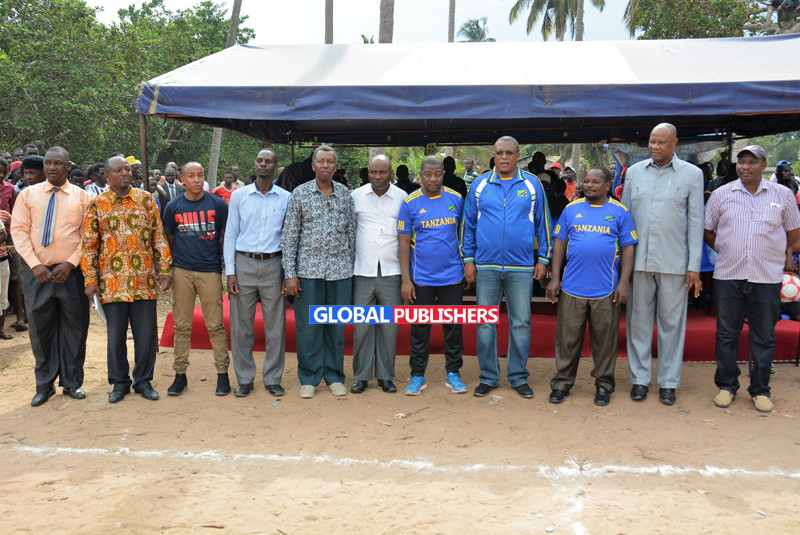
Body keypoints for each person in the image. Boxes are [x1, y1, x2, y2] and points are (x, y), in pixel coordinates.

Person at [704, 146, 800, 413]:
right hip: (728, 275)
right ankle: (726, 386)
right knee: (726, 334)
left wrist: (773, 251)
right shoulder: (722, 194)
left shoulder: (782, 195)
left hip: (766, 276)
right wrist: (726, 248)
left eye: (752, 162)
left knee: (764, 335)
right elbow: (708, 230)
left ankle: (760, 390)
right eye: (741, 162)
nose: (745, 167)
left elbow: (793, 233)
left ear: (764, 165)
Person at [462, 136, 552, 398]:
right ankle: (488, 377)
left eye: (509, 153)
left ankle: (518, 376)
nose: (504, 157)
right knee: (485, 324)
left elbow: (543, 224)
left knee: (521, 323)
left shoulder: (532, 184)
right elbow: (468, 225)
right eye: (499, 153)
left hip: (521, 266)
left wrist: (543, 259)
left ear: (517, 155)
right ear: (494, 154)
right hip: (486, 266)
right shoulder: (480, 184)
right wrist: (468, 260)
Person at [621, 123, 704, 406]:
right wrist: (622, 265)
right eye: (651, 142)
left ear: (675, 143)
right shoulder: (634, 173)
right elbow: (624, 220)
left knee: (672, 326)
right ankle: (639, 379)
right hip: (638, 262)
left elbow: (696, 222)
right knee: (638, 324)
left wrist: (694, 267)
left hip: (674, 262)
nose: (655, 147)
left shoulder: (692, 175)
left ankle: (669, 383)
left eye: (661, 142)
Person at [82, 156, 172, 404]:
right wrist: (90, 280)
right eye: (118, 170)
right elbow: (89, 246)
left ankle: (143, 381)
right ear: (107, 176)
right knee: (116, 337)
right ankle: (119, 383)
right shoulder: (97, 204)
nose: (125, 173)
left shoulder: (146, 200)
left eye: (127, 169)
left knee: (146, 336)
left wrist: (165, 270)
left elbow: (159, 237)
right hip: (112, 283)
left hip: (144, 280)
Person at [546, 167, 638, 406]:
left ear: (608, 185)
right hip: (572, 288)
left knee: (605, 342)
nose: (589, 185)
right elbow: (560, 243)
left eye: (595, 182)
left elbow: (628, 247)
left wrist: (624, 282)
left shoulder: (619, 212)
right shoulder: (571, 209)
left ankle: (604, 385)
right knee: (567, 341)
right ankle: (562, 383)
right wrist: (555, 278)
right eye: (586, 181)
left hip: (606, 289)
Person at [10, 147, 91, 406]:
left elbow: (88, 235)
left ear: (68, 166)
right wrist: (34, 265)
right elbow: (19, 231)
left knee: (75, 329)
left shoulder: (82, 197)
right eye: (48, 163)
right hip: (39, 274)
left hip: (71, 274)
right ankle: (44, 385)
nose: (52, 168)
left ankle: (72, 382)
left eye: (58, 163)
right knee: (40, 330)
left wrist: (70, 262)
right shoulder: (28, 195)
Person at [282, 145, 355, 399]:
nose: (325, 165)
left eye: (330, 162)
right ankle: (309, 378)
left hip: (340, 272)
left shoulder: (344, 194)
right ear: (313, 166)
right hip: (308, 272)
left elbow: (351, 234)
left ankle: (334, 376)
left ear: (336, 166)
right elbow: (290, 236)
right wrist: (290, 274)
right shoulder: (300, 194)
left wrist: (351, 270)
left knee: (336, 327)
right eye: (321, 161)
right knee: (309, 328)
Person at [224, 149, 291, 398]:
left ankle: (273, 378)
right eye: (260, 160)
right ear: (255, 164)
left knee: (276, 326)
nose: (263, 164)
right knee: (241, 326)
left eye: (268, 161)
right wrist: (230, 272)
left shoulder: (286, 198)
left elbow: (289, 237)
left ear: (275, 166)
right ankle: (244, 379)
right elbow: (231, 234)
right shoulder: (239, 196)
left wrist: (287, 272)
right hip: (243, 263)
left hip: (274, 264)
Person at [398, 155, 466, 396]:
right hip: (421, 279)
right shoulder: (410, 202)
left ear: (443, 174)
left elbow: (464, 235)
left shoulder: (456, 199)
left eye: (437, 174)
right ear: (420, 175)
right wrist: (406, 280)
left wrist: (467, 266)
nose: (433, 179)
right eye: (428, 175)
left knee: (453, 327)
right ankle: (417, 375)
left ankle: (453, 373)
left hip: (452, 277)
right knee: (420, 328)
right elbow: (403, 243)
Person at [163, 162, 230, 397]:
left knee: (215, 326)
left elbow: (224, 237)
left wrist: (216, 261)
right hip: (182, 271)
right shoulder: (173, 206)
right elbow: (170, 239)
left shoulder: (218, 205)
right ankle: (180, 375)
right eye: (191, 176)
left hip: (210, 271)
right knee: (182, 326)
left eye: (200, 175)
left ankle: (222, 374)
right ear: (182, 179)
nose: (197, 180)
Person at [350, 155, 404, 394]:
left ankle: (385, 376)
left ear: (391, 173)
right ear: (368, 173)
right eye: (373, 172)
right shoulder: (356, 196)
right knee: (362, 327)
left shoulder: (402, 198)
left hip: (392, 272)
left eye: (383, 172)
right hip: (363, 271)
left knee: (389, 328)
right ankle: (361, 377)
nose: (378, 177)